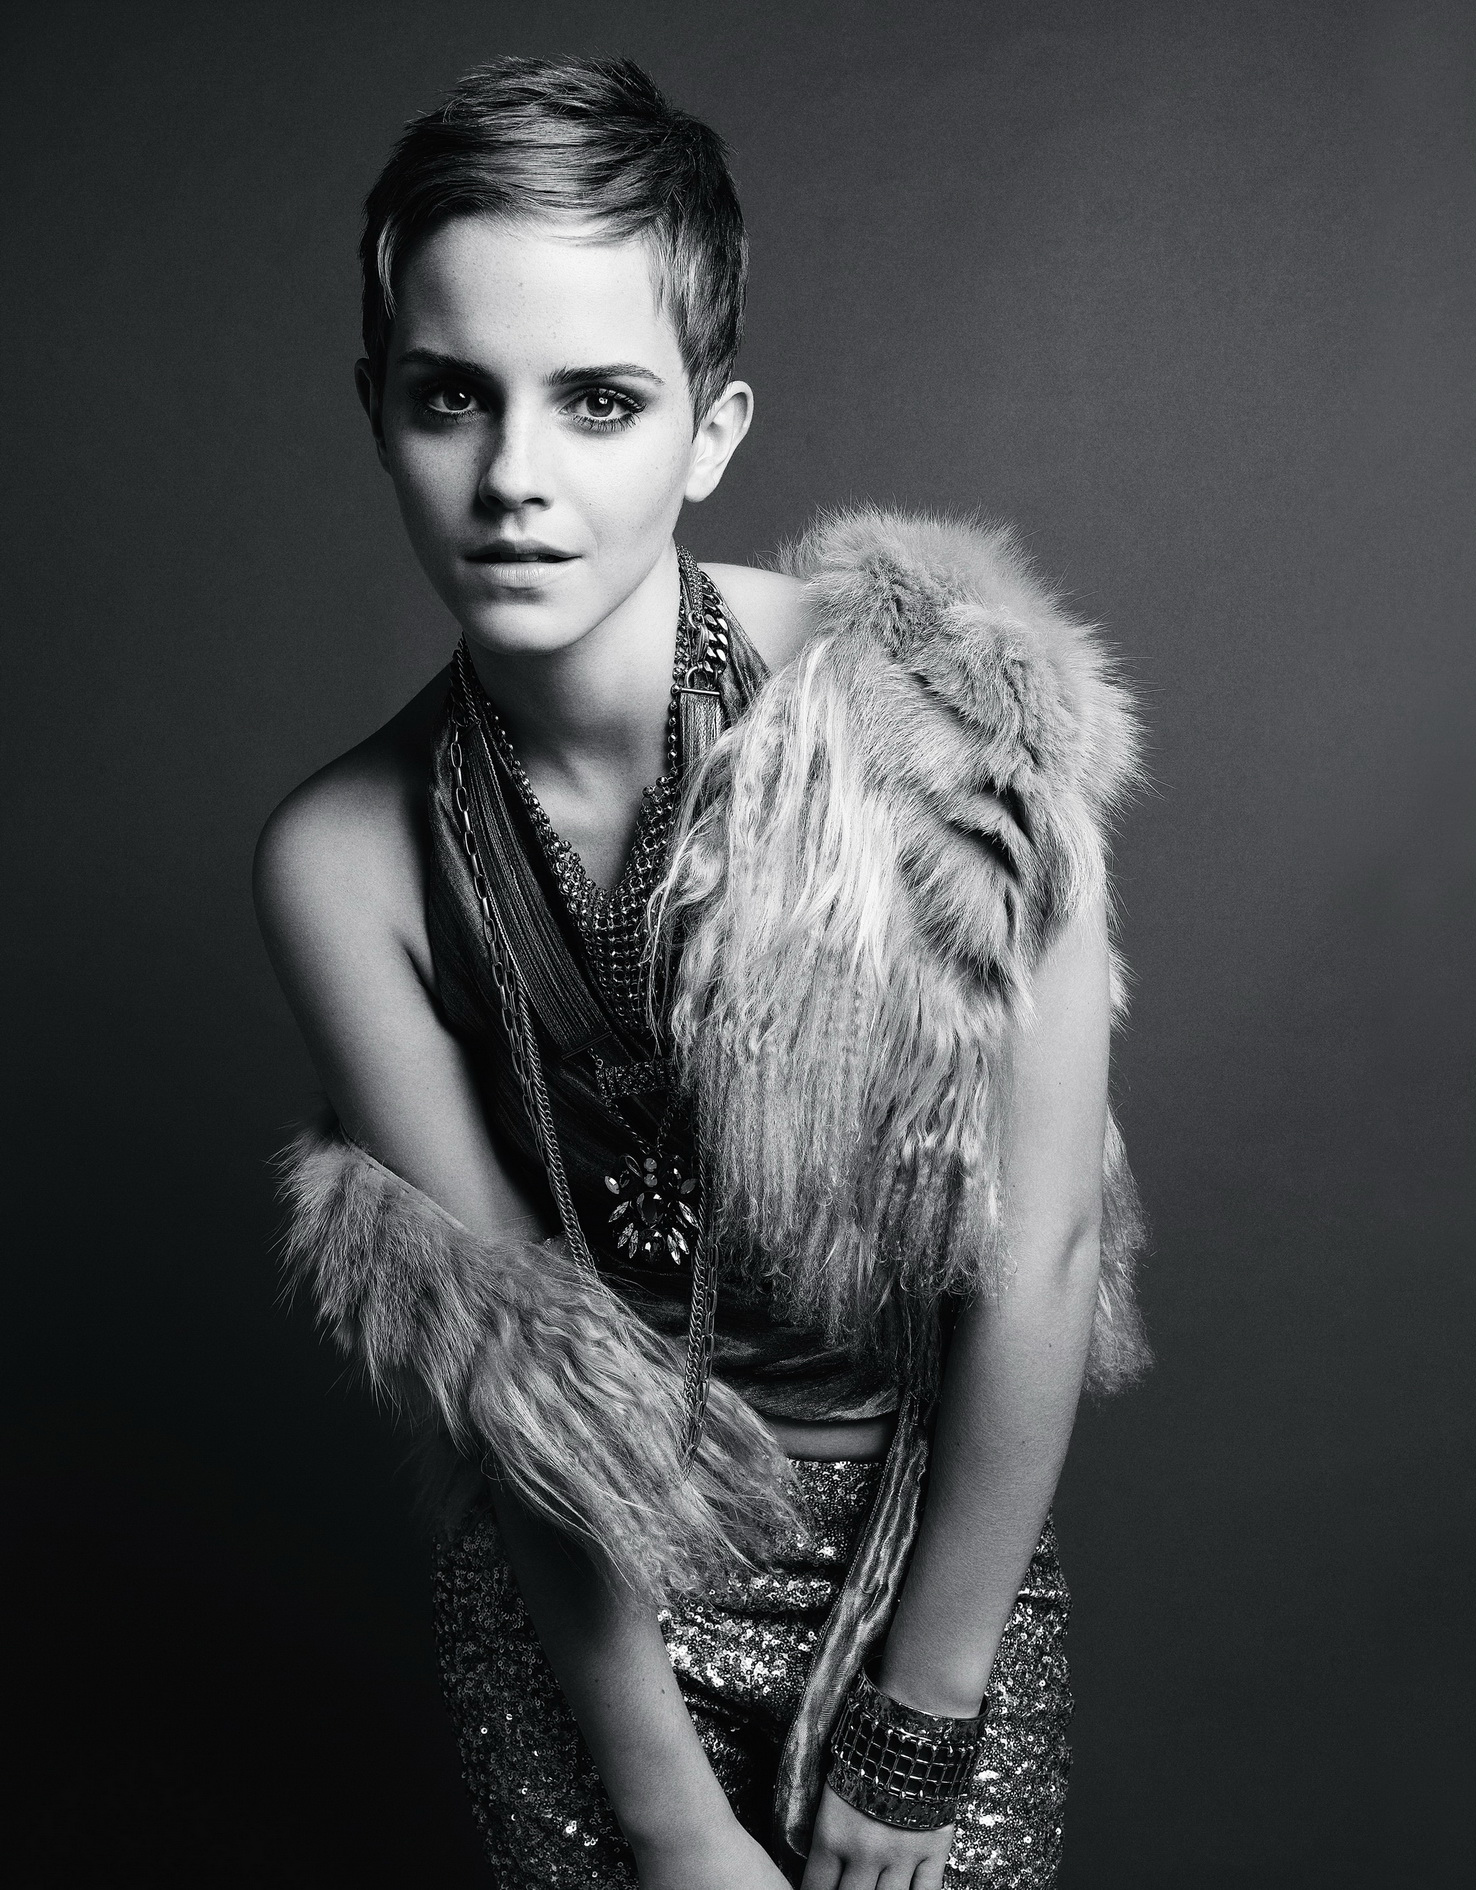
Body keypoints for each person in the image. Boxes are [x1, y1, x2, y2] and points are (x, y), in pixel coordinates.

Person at [255, 54, 1148, 1890]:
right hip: (592, 1600)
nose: (514, 478)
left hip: (925, 1552)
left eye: (599, 401)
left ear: (712, 429)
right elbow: (512, 1365)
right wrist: (666, 1817)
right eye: (450, 395)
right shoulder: (342, 860)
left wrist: (924, 1710)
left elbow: (1047, 1239)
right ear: (377, 409)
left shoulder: (938, 704)